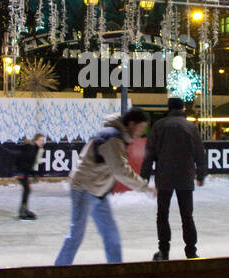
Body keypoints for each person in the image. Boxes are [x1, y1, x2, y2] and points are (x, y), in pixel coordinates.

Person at [54, 109, 155, 266]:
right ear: (131, 123)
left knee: (110, 234)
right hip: (85, 188)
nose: (141, 132)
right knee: (76, 235)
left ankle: (116, 270)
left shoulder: (116, 136)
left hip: (98, 191)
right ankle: (58, 270)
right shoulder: (112, 138)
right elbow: (120, 171)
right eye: (141, 127)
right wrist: (144, 187)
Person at [143, 97, 207, 261]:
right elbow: (200, 152)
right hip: (185, 176)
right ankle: (191, 251)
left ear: (169, 108)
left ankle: (164, 251)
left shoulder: (159, 126)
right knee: (187, 215)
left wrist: (144, 177)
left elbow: (149, 153)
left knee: (162, 214)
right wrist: (200, 174)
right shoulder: (191, 127)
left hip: (164, 176)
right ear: (183, 108)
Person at [8, 133, 46, 220]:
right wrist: (33, 173)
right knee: (27, 189)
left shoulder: (35, 148)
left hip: (23, 170)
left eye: (43, 141)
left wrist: (33, 173)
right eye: (41, 140)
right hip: (21, 171)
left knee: (27, 190)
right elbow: (26, 163)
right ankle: (22, 211)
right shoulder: (31, 148)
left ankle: (24, 210)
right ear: (36, 140)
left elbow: (30, 164)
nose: (42, 142)